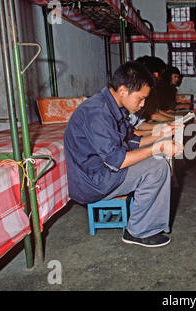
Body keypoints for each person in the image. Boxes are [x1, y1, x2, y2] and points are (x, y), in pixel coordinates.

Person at [64, 61, 183, 247]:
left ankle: (142, 223)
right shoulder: (97, 112)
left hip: (102, 172)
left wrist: (161, 134)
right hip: (93, 182)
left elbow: (131, 141)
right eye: (140, 98)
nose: (143, 104)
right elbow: (117, 161)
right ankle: (138, 231)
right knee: (157, 166)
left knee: (156, 155)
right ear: (122, 91)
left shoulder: (113, 108)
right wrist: (158, 148)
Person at [136, 56, 176, 122]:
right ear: (155, 74)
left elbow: (154, 110)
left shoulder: (150, 89)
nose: (160, 78)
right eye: (161, 75)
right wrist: (174, 120)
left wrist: (175, 118)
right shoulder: (141, 90)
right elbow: (153, 115)